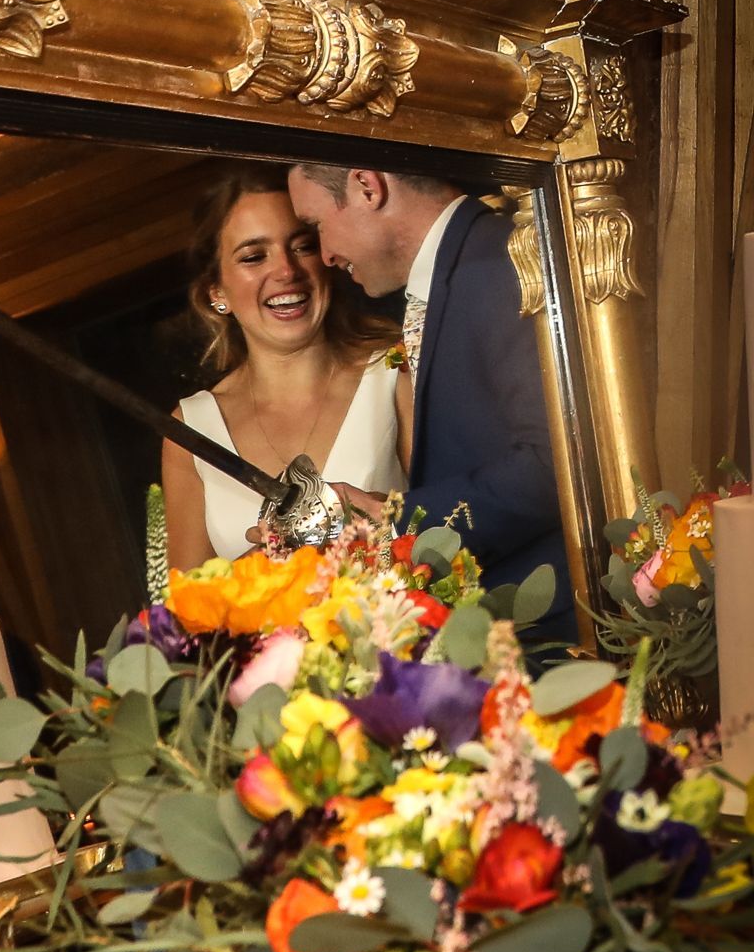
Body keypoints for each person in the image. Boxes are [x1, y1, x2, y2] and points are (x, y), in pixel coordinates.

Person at [286, 162, 576, 643]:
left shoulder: (497, 262)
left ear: (367, 186)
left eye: (316, 225)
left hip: (560, 627)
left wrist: (392, 521)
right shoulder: (457, 270)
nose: (327, 255)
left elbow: (558, 462)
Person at [163, 169, 410, 571]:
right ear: (217, 292)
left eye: (302, 247)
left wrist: (384, 523)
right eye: (253, 256)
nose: (287, 271)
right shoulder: (191, 430)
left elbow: (456, 526)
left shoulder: (395, 371)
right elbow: (189, 604)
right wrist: (257, 569)